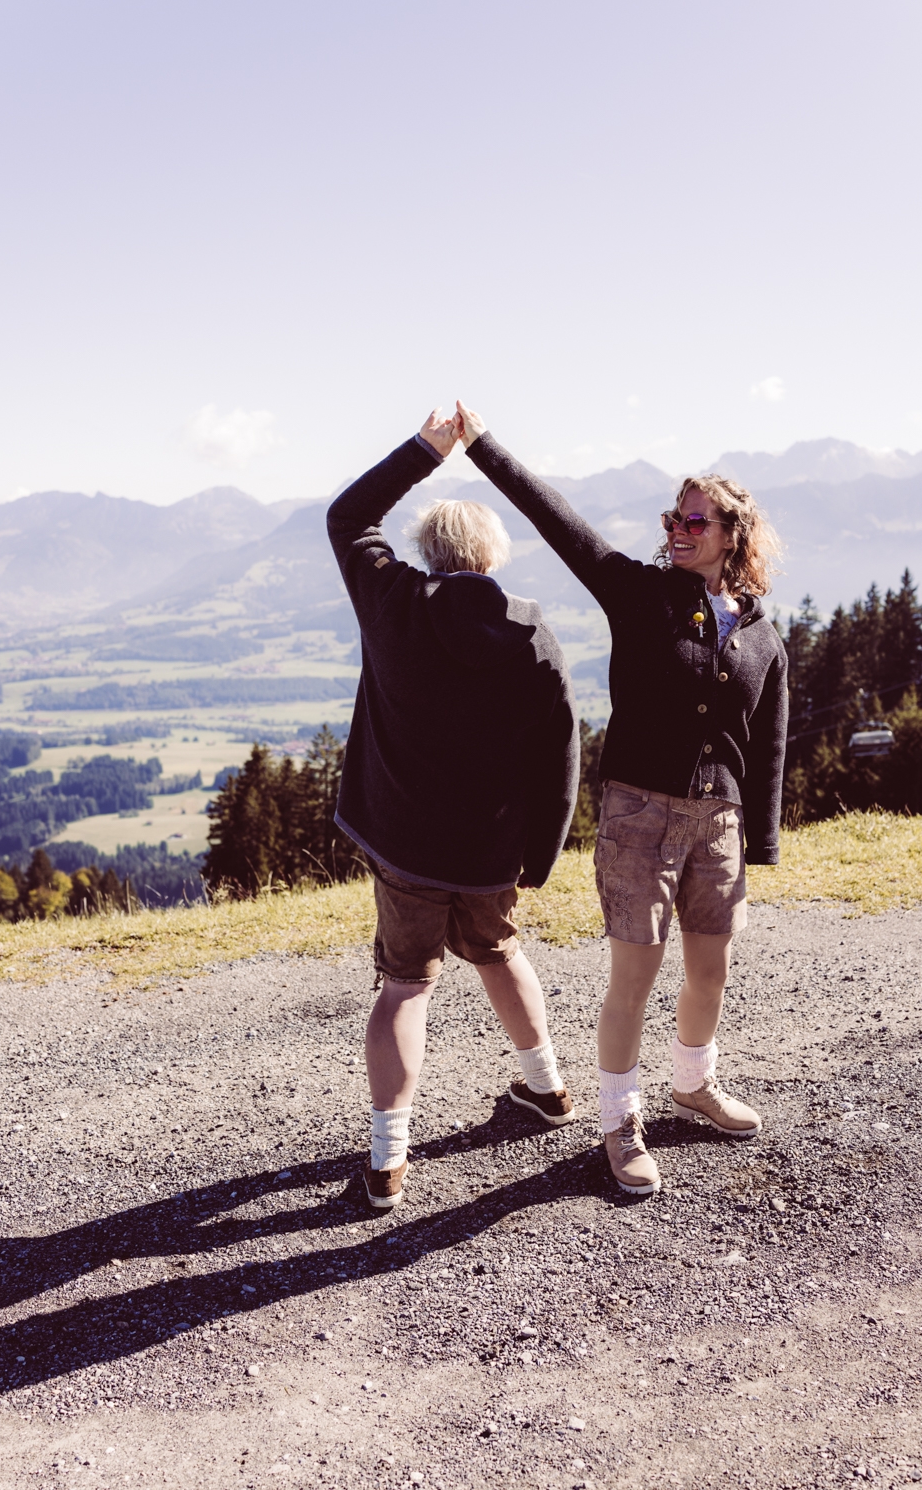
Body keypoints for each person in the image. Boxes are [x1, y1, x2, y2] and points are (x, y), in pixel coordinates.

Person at [456, 401, 787, 1197]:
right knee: (633, 979)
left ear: (731, 536)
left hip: (720, 823)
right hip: (640, 815)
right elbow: (557, 517)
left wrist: (762, 840)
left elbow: (770, 743)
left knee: (711, 971)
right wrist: (480, 445)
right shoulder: (639, 594)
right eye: (674, 515)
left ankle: (693, 1084)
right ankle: (619, 1121)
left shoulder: (765, 635)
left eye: (696, 520)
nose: (679, 528)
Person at [326, 410, 580, 1211]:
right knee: (501, 954)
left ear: (428, 551)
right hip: (490, 852)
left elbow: (346, 517)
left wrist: (428, 450)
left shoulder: (392, 599)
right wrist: (540, 853)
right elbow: (561, 751)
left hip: (405, 847)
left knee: (405, 987)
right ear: (493, 557)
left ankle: (389, 1159)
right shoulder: (531, 629)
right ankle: (546, 1088)